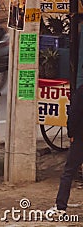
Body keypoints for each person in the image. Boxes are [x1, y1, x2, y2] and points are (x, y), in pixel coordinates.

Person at [47, 84, 83, 217]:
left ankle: (60, 207)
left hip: (80, 139)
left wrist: (71, 134)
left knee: (68, 172)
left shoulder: (80, 91)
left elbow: (73, 114)